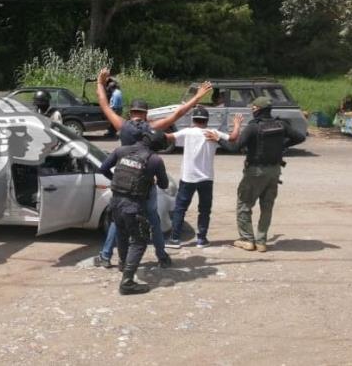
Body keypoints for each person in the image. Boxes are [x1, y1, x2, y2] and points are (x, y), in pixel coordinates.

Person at [93, 68, 212, 269]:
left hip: (123, 183)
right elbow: (178, 113)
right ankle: (162, 257)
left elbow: (104, 105)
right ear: (146, 114)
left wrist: (99, 83)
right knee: (153, 220)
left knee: (117, 221)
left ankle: (106, 256)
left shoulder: (122, 125)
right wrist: (198, 96)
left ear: (131, 112)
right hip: (146, 185)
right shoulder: (153, 128)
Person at [215, 96, 305, 252]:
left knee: (244, 204)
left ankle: (247, 240)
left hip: (255, 172)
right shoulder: (281, 125)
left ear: (257, 110)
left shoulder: (253, 127)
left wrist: (218, 139)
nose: (251, 110)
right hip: (275, 171)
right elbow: (300, 137)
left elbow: (234, 148)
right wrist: (282, 145)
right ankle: (262, 241)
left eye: (253, 108)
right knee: (267, 207)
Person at [99, 129, 170, 295]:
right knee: (139, 241)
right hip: (133, 206)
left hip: (115, 202)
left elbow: (103, 168)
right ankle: (127, 282)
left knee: (122, 234)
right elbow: (164, 185)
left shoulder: (120, 150)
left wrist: (117, 181)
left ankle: (123, 264)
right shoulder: (155, 160)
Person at [165, 107, 242, 248]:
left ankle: (175, 239)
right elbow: (233, 138)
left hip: (188, 178)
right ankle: (202, 239)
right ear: (207, 121)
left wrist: (151, 127)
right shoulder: (213, 133)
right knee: (205, 209)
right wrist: (237, 124)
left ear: (193, 120)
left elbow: (167, 137)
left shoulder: (187, 132)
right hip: (206, 178)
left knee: (180, 208)